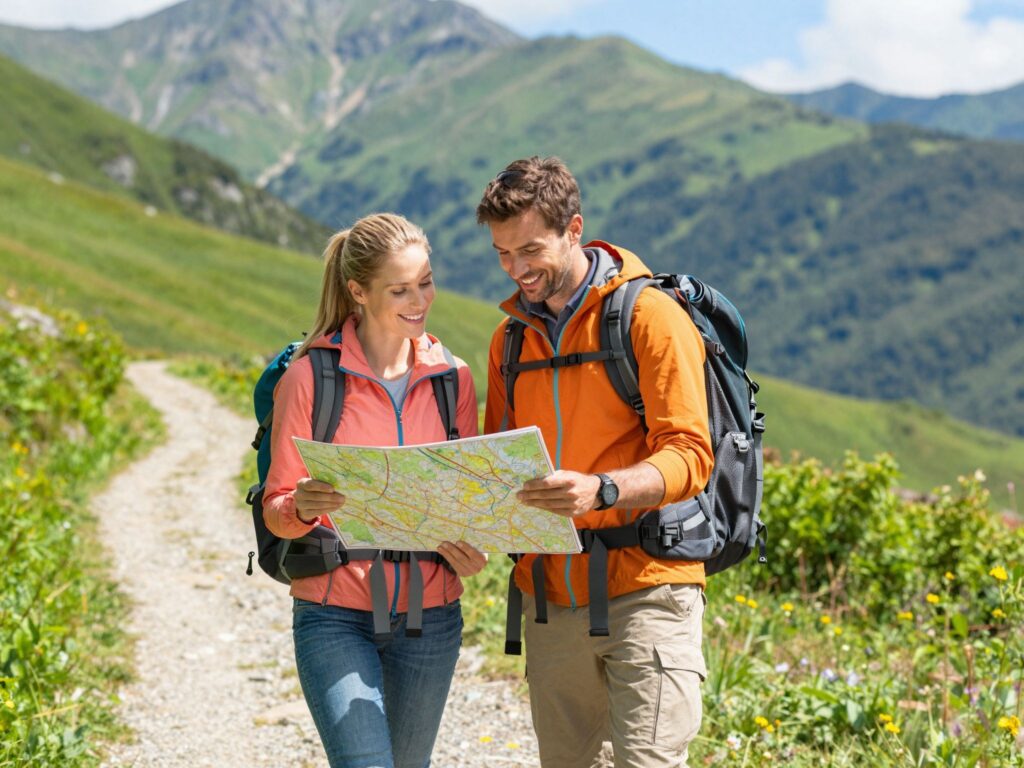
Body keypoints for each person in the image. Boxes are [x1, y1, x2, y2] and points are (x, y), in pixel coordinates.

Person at [478, 157, 715, 768]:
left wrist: (602, 490)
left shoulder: (648, 316)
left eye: (530, 249)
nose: (518, 269)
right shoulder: (509, 342)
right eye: (503, 254)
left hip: (648, 587)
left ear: (574, 228)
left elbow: (691, 456)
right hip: (550, 597)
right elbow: (498, 465)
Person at [262, 212, 487, 768]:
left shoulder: (452, 378)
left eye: (426, 281)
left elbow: (472, 497)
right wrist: (300, 507)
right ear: (357, 291)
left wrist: (474, 547)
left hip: (432, 616)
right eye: (401, 289)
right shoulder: (310, 378)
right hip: (334, 613)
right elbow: (275, 509)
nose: (420, 300)